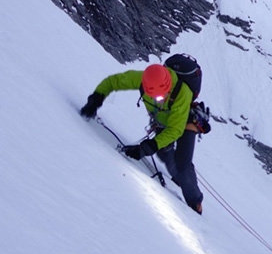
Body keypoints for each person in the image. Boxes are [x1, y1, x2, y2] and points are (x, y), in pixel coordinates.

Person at [80, 63, 204, 214]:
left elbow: (175, 130)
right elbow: (114, 81)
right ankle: (179, 180)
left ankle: (195, 203)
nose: (156, 99)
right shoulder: (143, 79)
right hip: (163, 119)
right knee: (164, 154)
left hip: (185, 122)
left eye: (159, 96)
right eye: (151, 95)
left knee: (183, 164)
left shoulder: (182, 92)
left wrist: (148, 147)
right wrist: (97, 97)